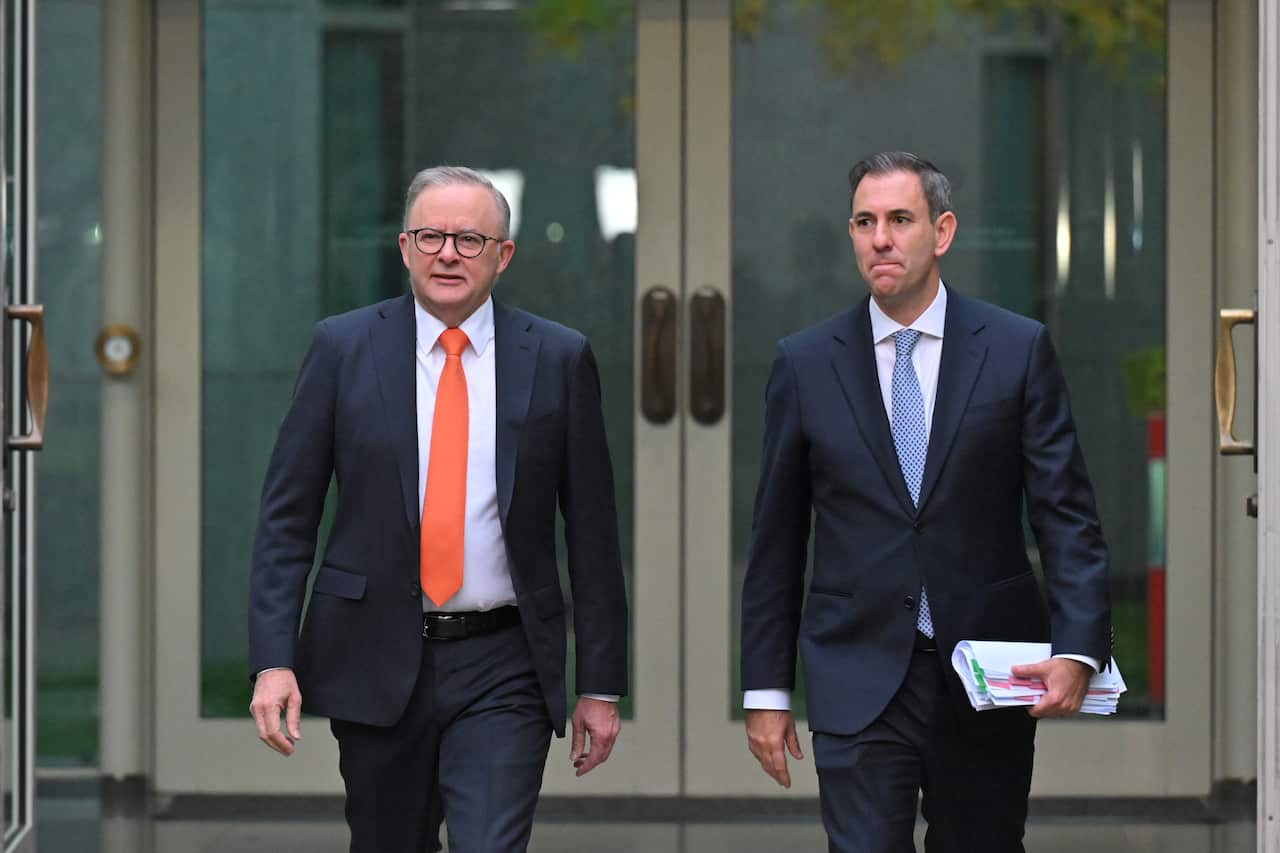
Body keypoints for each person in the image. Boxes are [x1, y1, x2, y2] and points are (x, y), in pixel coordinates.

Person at [248, 165, 629, 852]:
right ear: (404, 247)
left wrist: (600, 685)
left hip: (504, 661)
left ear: (502, 255)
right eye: (430, 237)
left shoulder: (557, 357)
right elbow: (287, 518)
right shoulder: (344, 347)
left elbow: (593, 535)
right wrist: (274, 659)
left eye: (468, 240)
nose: (447, 254)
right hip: (375, 654)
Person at [739, 151, 1110, 852]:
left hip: (987, 669)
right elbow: (777, 541)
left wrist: (1079, 648)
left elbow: (1066, 515)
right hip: (856, 669)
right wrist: (766, 690)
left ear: (941, 232)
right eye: (864, 222)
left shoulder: (1015, 349)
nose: (880, 239)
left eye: (899, 220)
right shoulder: (806, 363)